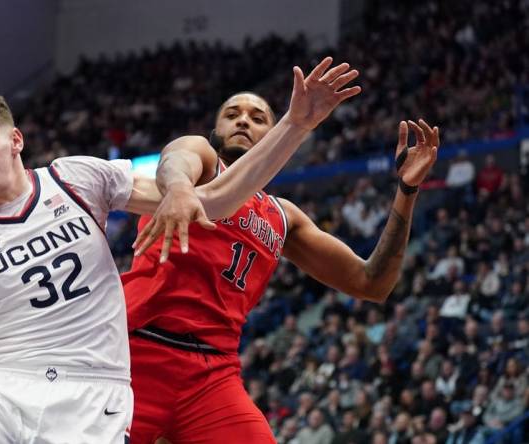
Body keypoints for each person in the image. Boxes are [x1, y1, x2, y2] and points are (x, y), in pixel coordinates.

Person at [0, 57, 356, 444]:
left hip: (92, 401)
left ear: (14, 140)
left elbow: (214, 200)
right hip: (0, 387)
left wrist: (294, 126)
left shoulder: (76, 180)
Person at [123, 70, 439, 443]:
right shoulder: (204, 162)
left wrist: (407, 190)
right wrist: (177, 188)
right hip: (135, 352)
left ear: (275, 138)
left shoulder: (283, 217)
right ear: (215, 132)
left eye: (258, 118)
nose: (243, 120)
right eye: (232, 114)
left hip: (211, 373)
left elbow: (372, 283)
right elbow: (176, 158)